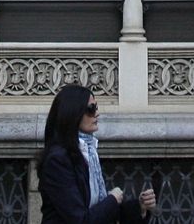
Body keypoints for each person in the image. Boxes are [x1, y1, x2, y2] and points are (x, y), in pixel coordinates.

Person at [39, 83, 157, 224]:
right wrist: (112, 199)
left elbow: (99, 212)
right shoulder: (58, 160)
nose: (97, 113)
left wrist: (140, 208)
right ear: (73, 113)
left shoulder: (88, 152)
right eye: (91, 109)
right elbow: (81, 219)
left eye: (96, 107)